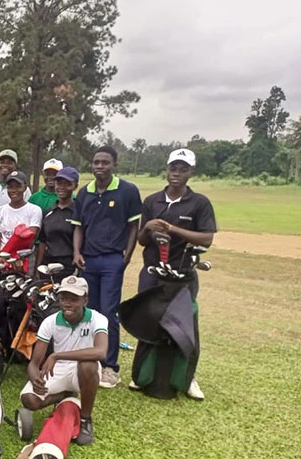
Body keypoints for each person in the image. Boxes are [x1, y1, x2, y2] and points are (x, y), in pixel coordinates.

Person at [135, 148, 217, 399]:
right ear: (167, 169)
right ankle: (143, 374)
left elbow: (207, 238)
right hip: (152, 272)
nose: (176, 173)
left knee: (184, 325)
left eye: (183, 169)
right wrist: (149, 227)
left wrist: (173, 229)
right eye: (173, 168)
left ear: (190, 172)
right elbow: (141, 240)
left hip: (183, 274)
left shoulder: (199, 202)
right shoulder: (152, 201)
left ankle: (186, 377)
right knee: (149, 322)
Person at [72, 145, 142, 388]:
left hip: (113, 259)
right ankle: (91, 360)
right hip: (88, 260)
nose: (99, 166)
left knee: (109, 312)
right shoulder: (85, 193)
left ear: (114, 165)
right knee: (89, 312)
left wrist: (127, 256)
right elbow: (78, 226)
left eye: (105, 162)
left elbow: (134, 226)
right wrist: (76, 252)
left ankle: (110, 366)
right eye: (96, 162)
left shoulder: (127, 191)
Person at [20, 275, 107, 446]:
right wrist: (34, 378)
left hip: (80, 372)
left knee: (88, 365)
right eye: (64, 298)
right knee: (29, 399)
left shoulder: (97, 318)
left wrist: (57, 355)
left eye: (74, 299)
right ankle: (66, 395)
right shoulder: (50, 321)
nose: (67, 303)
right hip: (58, 370)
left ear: (85, 300)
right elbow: (34, 364)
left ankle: (85, 420)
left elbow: (100, 352)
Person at [0, 170, 43, 349]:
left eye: (17, 185)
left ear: (25, 187)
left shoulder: (34, 210)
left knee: (23, 303)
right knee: (1, 302)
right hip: (3, 261)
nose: (13, 190)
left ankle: (20, 346)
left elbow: (31, 236)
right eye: (10, 186)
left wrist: (17, 258)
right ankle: (1, 343)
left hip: (24, 261)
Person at [36, 166, 80, 278]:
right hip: (48, 265)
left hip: (70, 267)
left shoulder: (79, 212)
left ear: (75, 186)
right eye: (59, 183)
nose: (62, 187)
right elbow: (43, 241)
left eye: (67, 184)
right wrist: (38, 266)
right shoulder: (48, 212)